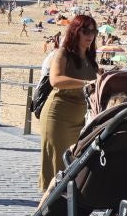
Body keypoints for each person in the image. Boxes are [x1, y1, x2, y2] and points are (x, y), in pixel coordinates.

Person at [38, 15, 98, 192]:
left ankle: (62, 213)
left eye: (93, 31)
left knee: (72, 167)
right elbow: (55, 80)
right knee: (56, 168)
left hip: (79, 118)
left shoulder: (89, 57)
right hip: (57, 115)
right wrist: (86, 83)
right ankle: (44, 213)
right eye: (85, 31)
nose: (90, 35)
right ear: (75, 31)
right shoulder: (63, 53)